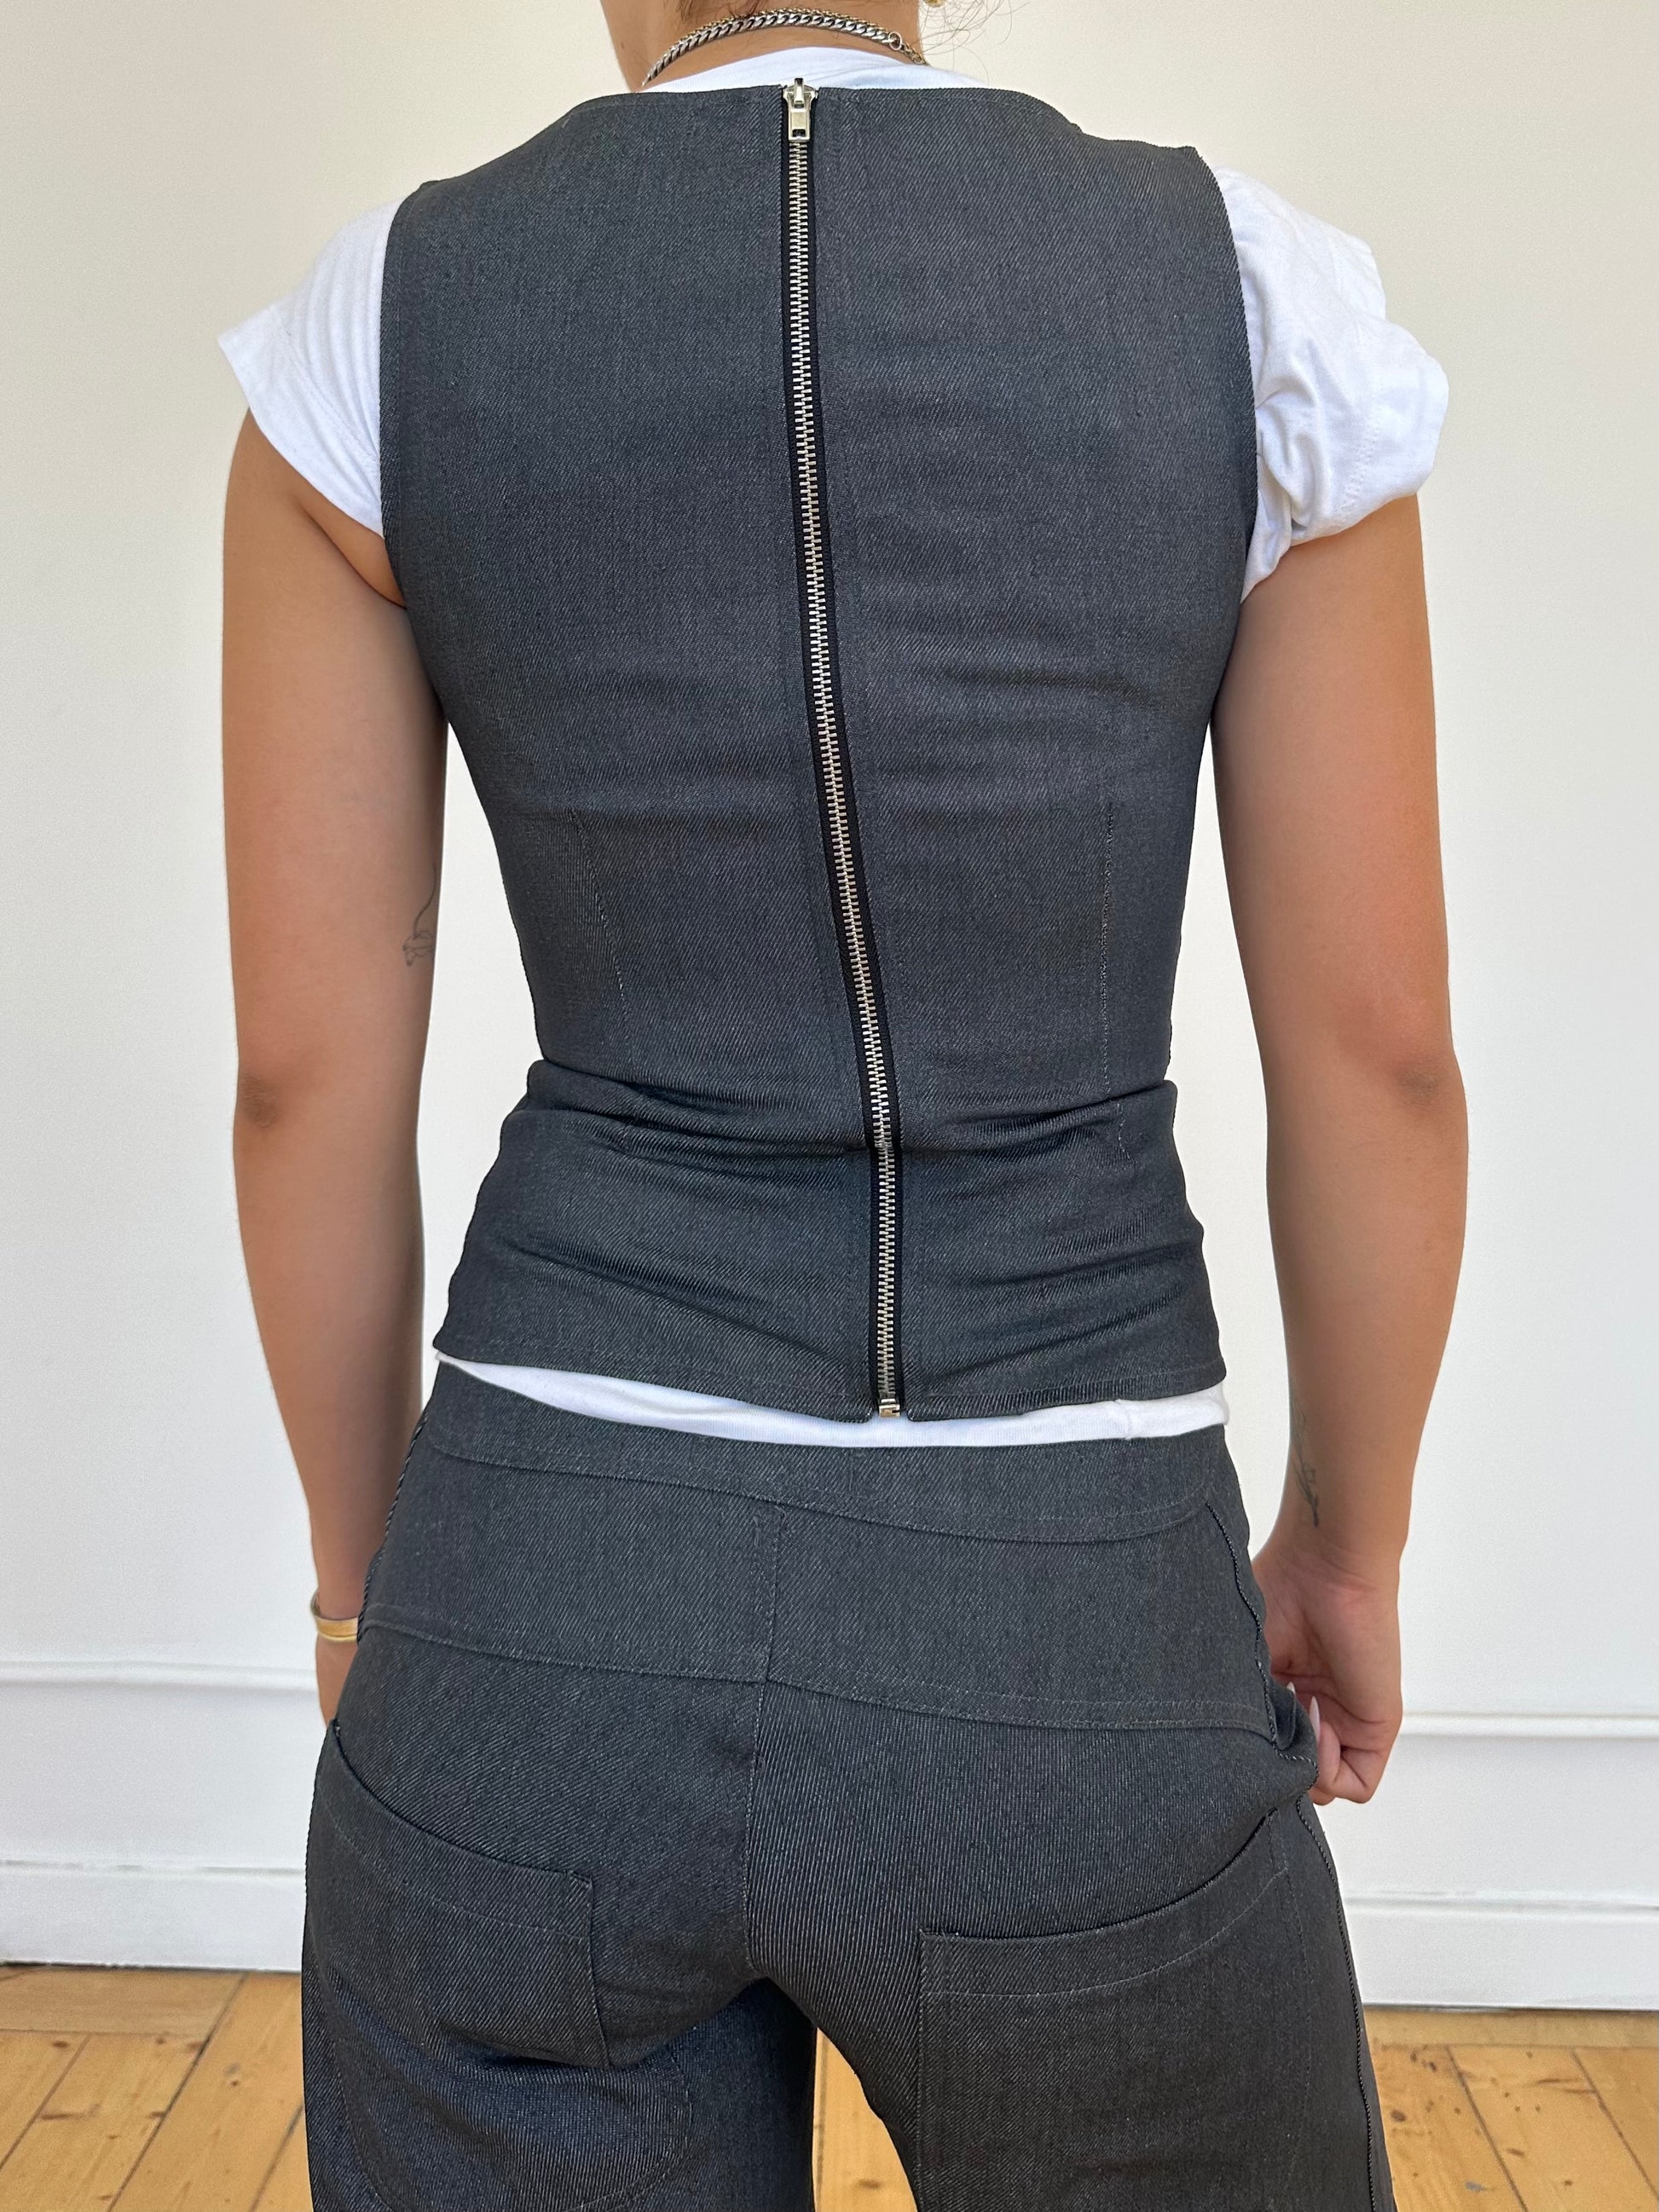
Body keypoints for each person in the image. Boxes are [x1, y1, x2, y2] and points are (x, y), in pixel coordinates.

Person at [219, 3, 1467, 2203]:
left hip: (537, 1596)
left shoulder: (376, 321)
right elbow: (1379, 1054)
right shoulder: (1244, 293)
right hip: (1073, 1616)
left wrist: (366, 1597)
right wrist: (1343, 1548)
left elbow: (304, 1082)